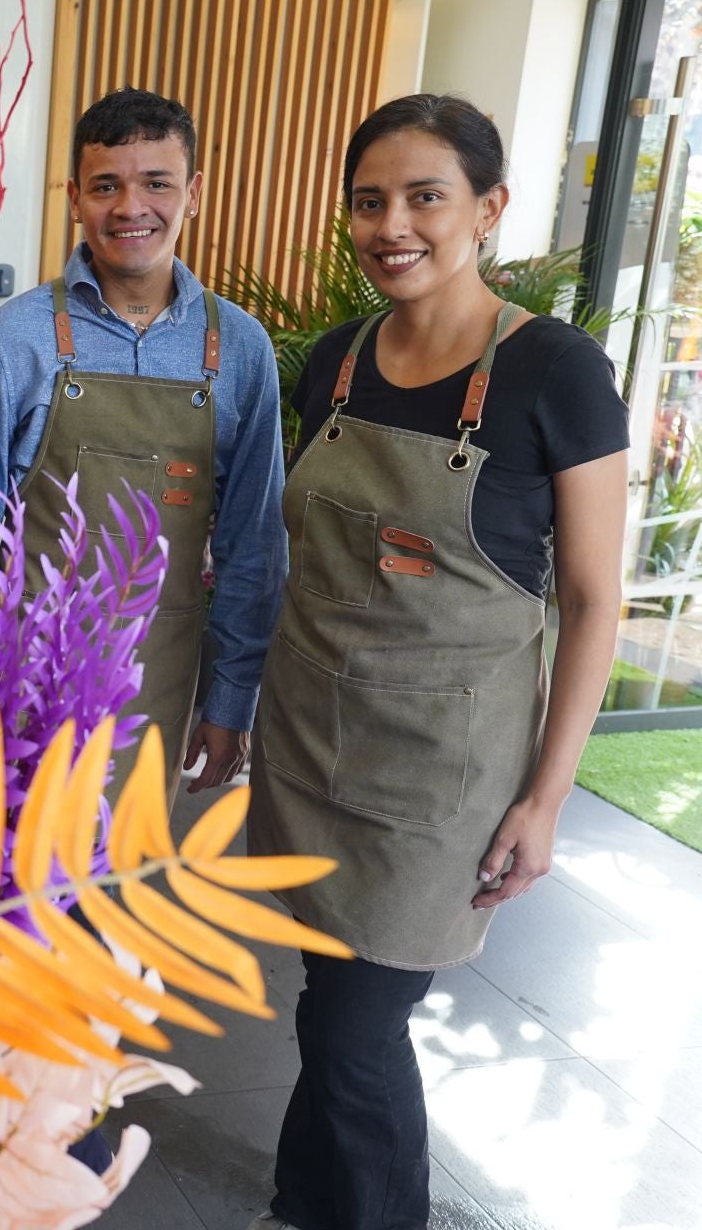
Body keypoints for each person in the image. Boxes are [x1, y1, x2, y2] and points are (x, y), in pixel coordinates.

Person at [245, 94, 628, 1230]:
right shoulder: (334, 361)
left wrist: (546, 801)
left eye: (426, 196)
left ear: (489, 209)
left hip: (440, 777)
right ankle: (303, 1199)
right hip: (313, 744)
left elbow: (597, 599)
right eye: (370, 200)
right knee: (330, 1000)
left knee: (361, 1029)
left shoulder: (556, 370)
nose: (391, 224)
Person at [0, 87, 288, 799]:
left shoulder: (240, 349)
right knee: (14, 891)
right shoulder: (13, 341)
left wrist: (230, 701)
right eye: (106, 185)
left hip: (161, 686)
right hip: (23, 683)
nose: (131, 207)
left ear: (194, 192)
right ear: (76, 197)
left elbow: (252, 545)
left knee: (122, 895)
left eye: (157, 183)